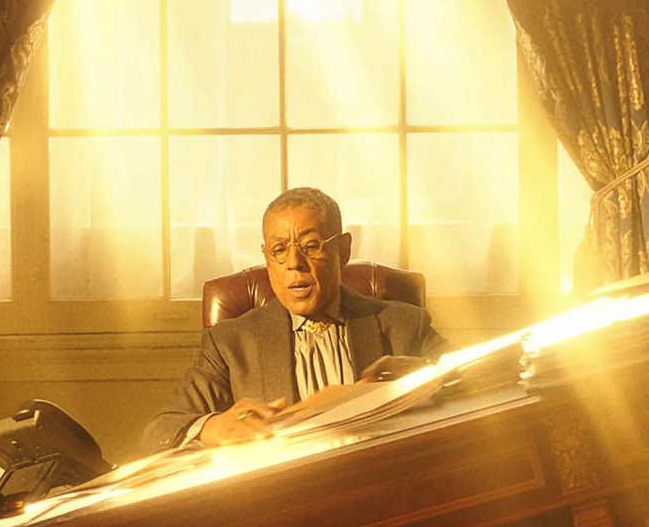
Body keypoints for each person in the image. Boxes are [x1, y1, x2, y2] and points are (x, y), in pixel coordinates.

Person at [143, 186, 448, 452]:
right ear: (266, 257)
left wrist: (420, 376)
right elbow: (160, 430)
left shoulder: (404, 326)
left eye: (310, 246)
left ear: (342, 250)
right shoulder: (230, 344)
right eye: (278, 250)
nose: (294, 264)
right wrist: (213, 428)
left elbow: (471, 380)